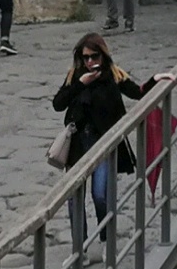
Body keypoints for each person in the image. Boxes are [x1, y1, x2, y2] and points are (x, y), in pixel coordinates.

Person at [51, 33, 140, 244]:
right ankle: (78, 247)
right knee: (74, 199)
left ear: (103, 56)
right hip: (78, 144)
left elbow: (138, 92)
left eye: (95, 57)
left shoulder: (114, 75)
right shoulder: (75, 76)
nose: (90, 62)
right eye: (86, 58)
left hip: (103, 144)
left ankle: (105, 240)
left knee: (100, 195)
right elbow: (58, 104)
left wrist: (158, 80)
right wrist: (80, 84)